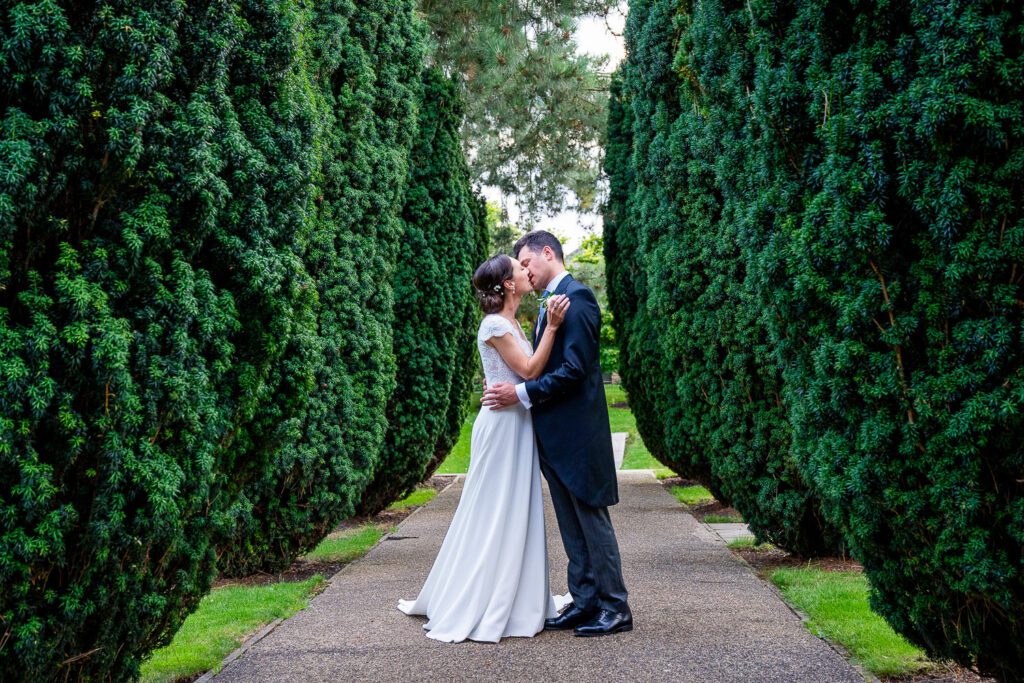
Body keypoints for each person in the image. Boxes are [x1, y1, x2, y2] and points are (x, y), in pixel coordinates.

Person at [397, 254, 571, 643]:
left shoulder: (510, 322)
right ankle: (484, 597)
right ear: (508, 284)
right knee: (493, 509)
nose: (527, 272)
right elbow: (527, 371)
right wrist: (554, 329)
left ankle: (521, 594)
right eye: (519, 268)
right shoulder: (494, 323)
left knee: (515, 508)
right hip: (502, 428)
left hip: (517, 424)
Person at [482, 230, 633, 637]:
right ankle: (584, 602)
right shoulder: (550, 306)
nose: (525, 272)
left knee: (592, 522)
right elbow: (538, 363)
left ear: (548, 253)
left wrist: (521, 393)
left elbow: (576, 370)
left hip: (579, 437)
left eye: (527, 263)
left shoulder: (578, 298)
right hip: (555, 439)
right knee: (570, 524)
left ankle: (616, 607)